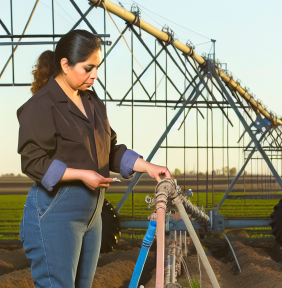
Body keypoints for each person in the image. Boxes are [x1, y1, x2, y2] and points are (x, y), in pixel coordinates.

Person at [17, 29, 171, 288]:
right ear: (65, 65)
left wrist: (147, 167)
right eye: (88, 68)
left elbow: (108, 149)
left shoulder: (92, 102)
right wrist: (80, 174)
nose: (95, 76)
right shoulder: (41, 105)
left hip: (92, 214)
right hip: (56, 212)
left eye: (97, 67)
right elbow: (32, 161)